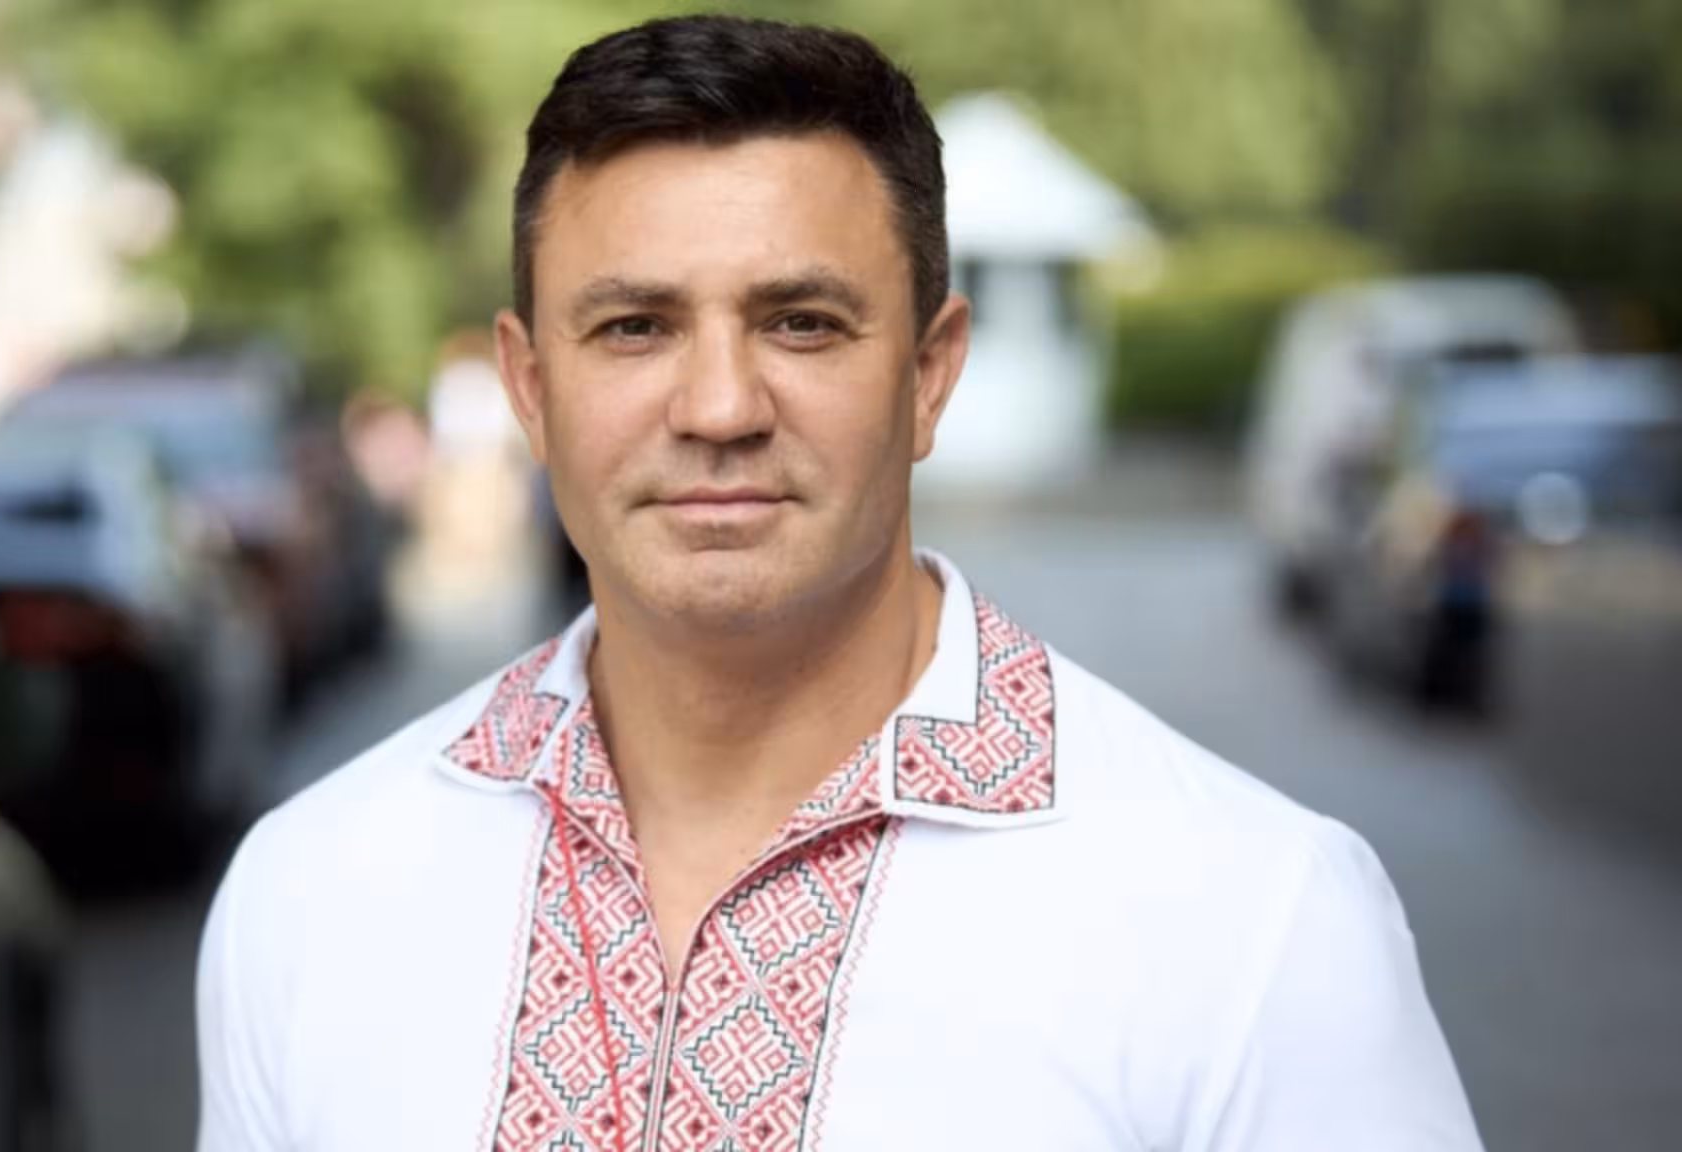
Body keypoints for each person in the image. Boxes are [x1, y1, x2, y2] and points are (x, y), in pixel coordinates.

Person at [196, 16, 1485, 1151]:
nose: (718, 408)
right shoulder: (311, 894)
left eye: (801, 323)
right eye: (635, 327)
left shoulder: (1254, 920)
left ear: (929, 373)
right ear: (530, 388)